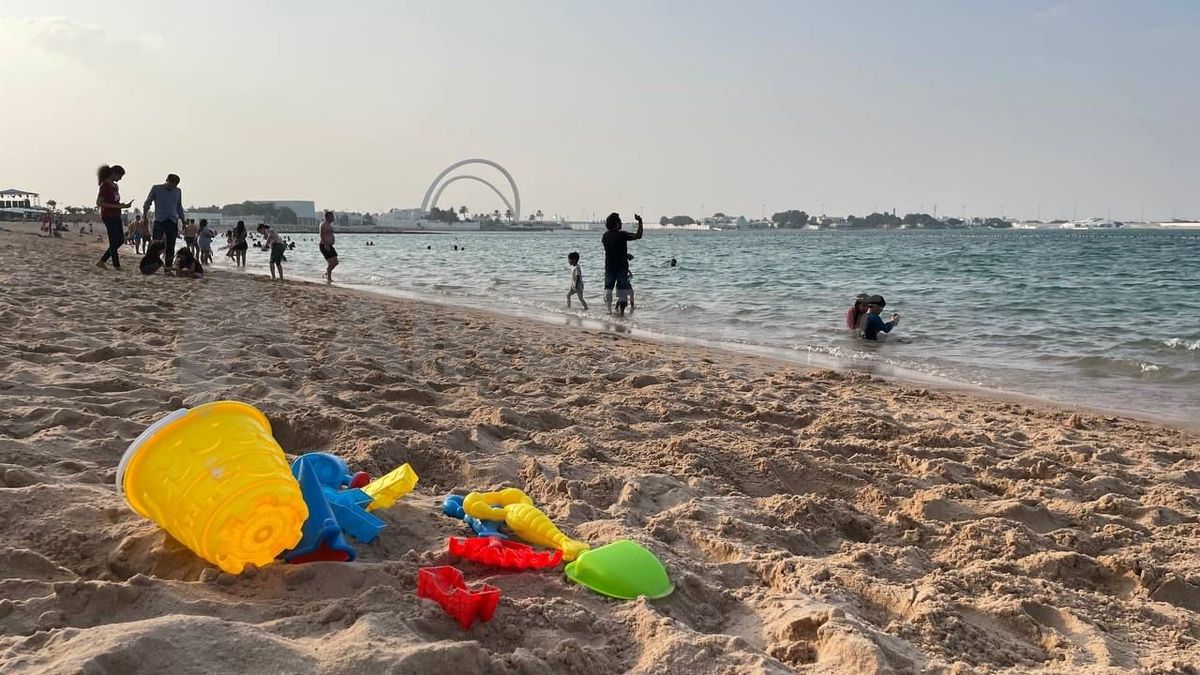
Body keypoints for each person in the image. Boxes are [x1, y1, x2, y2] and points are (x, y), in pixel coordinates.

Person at [601, 212, 643, 316]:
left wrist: (626, 255)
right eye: (620, 222)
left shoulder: (605, 236)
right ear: (616, 223)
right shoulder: (622, 235)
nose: (621, 223)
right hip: (621, 266)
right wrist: (640, 222)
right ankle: (622, 313)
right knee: (623, 289)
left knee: (608, 287)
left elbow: (613, 250)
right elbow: (638, 236)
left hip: (609, 265)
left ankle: (609, 311)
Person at [143, 174, 186, 268]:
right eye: (170, 185)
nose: (172, 187)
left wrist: (183, 220)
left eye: (175, 185)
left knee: (171, 245)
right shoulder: (156, 188)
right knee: (155, 245)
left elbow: (179, 206)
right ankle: (149, 263)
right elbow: (147, 202)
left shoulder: (178, 191)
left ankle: (168, 267)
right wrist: (144, 216)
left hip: (172, 221)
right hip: (159, 220)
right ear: (166, 180)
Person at [95, 164, 132, 270]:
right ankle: (116, 265)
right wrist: (118, 206)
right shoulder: (104, 185)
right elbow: (99, 203)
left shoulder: (115, 186)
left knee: (120, 240)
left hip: (116, 214)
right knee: (114, 240)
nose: (120, 179)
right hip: (108, 215)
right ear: (114, 174)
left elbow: (115, 200)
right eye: (120, 176)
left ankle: (102, 261)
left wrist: (122, 206)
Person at [319, 210, 339, 283]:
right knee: (331, 263)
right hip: (324, 245)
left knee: (336, 262)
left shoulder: (329, 225)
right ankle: (329, 278)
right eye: (332, 217)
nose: (333, 218)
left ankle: (327, 273)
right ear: (328, 217)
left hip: (330, 245)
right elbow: (321, 235)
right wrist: (325, 244)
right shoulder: (323, 225)